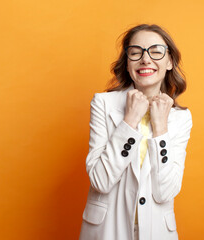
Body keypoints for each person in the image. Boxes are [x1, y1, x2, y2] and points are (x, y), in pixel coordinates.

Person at [79, 24, 192, 240]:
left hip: (157, 231)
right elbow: (100, 181)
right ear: (127, 63)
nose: (146, 59)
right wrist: (129, 122)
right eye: (135, 52)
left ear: (170, 62)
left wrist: (160, 129)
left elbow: (165, 191)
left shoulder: (180, 118)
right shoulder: (103, 104)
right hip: (106, 231)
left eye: (156, 51)